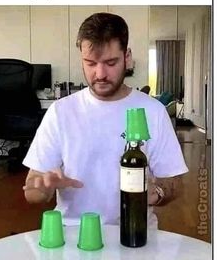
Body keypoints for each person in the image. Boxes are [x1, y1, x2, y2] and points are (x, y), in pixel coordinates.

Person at [23, 12, 188, 227]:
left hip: (135, 232)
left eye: (110, 62)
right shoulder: (60, 112)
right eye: (90, 63)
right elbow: (32, 189)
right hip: (74, 233)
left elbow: (174, 180)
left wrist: (155, 193)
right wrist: (43, 188)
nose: (100, 74)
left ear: (127, 57)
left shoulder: (153, 111)